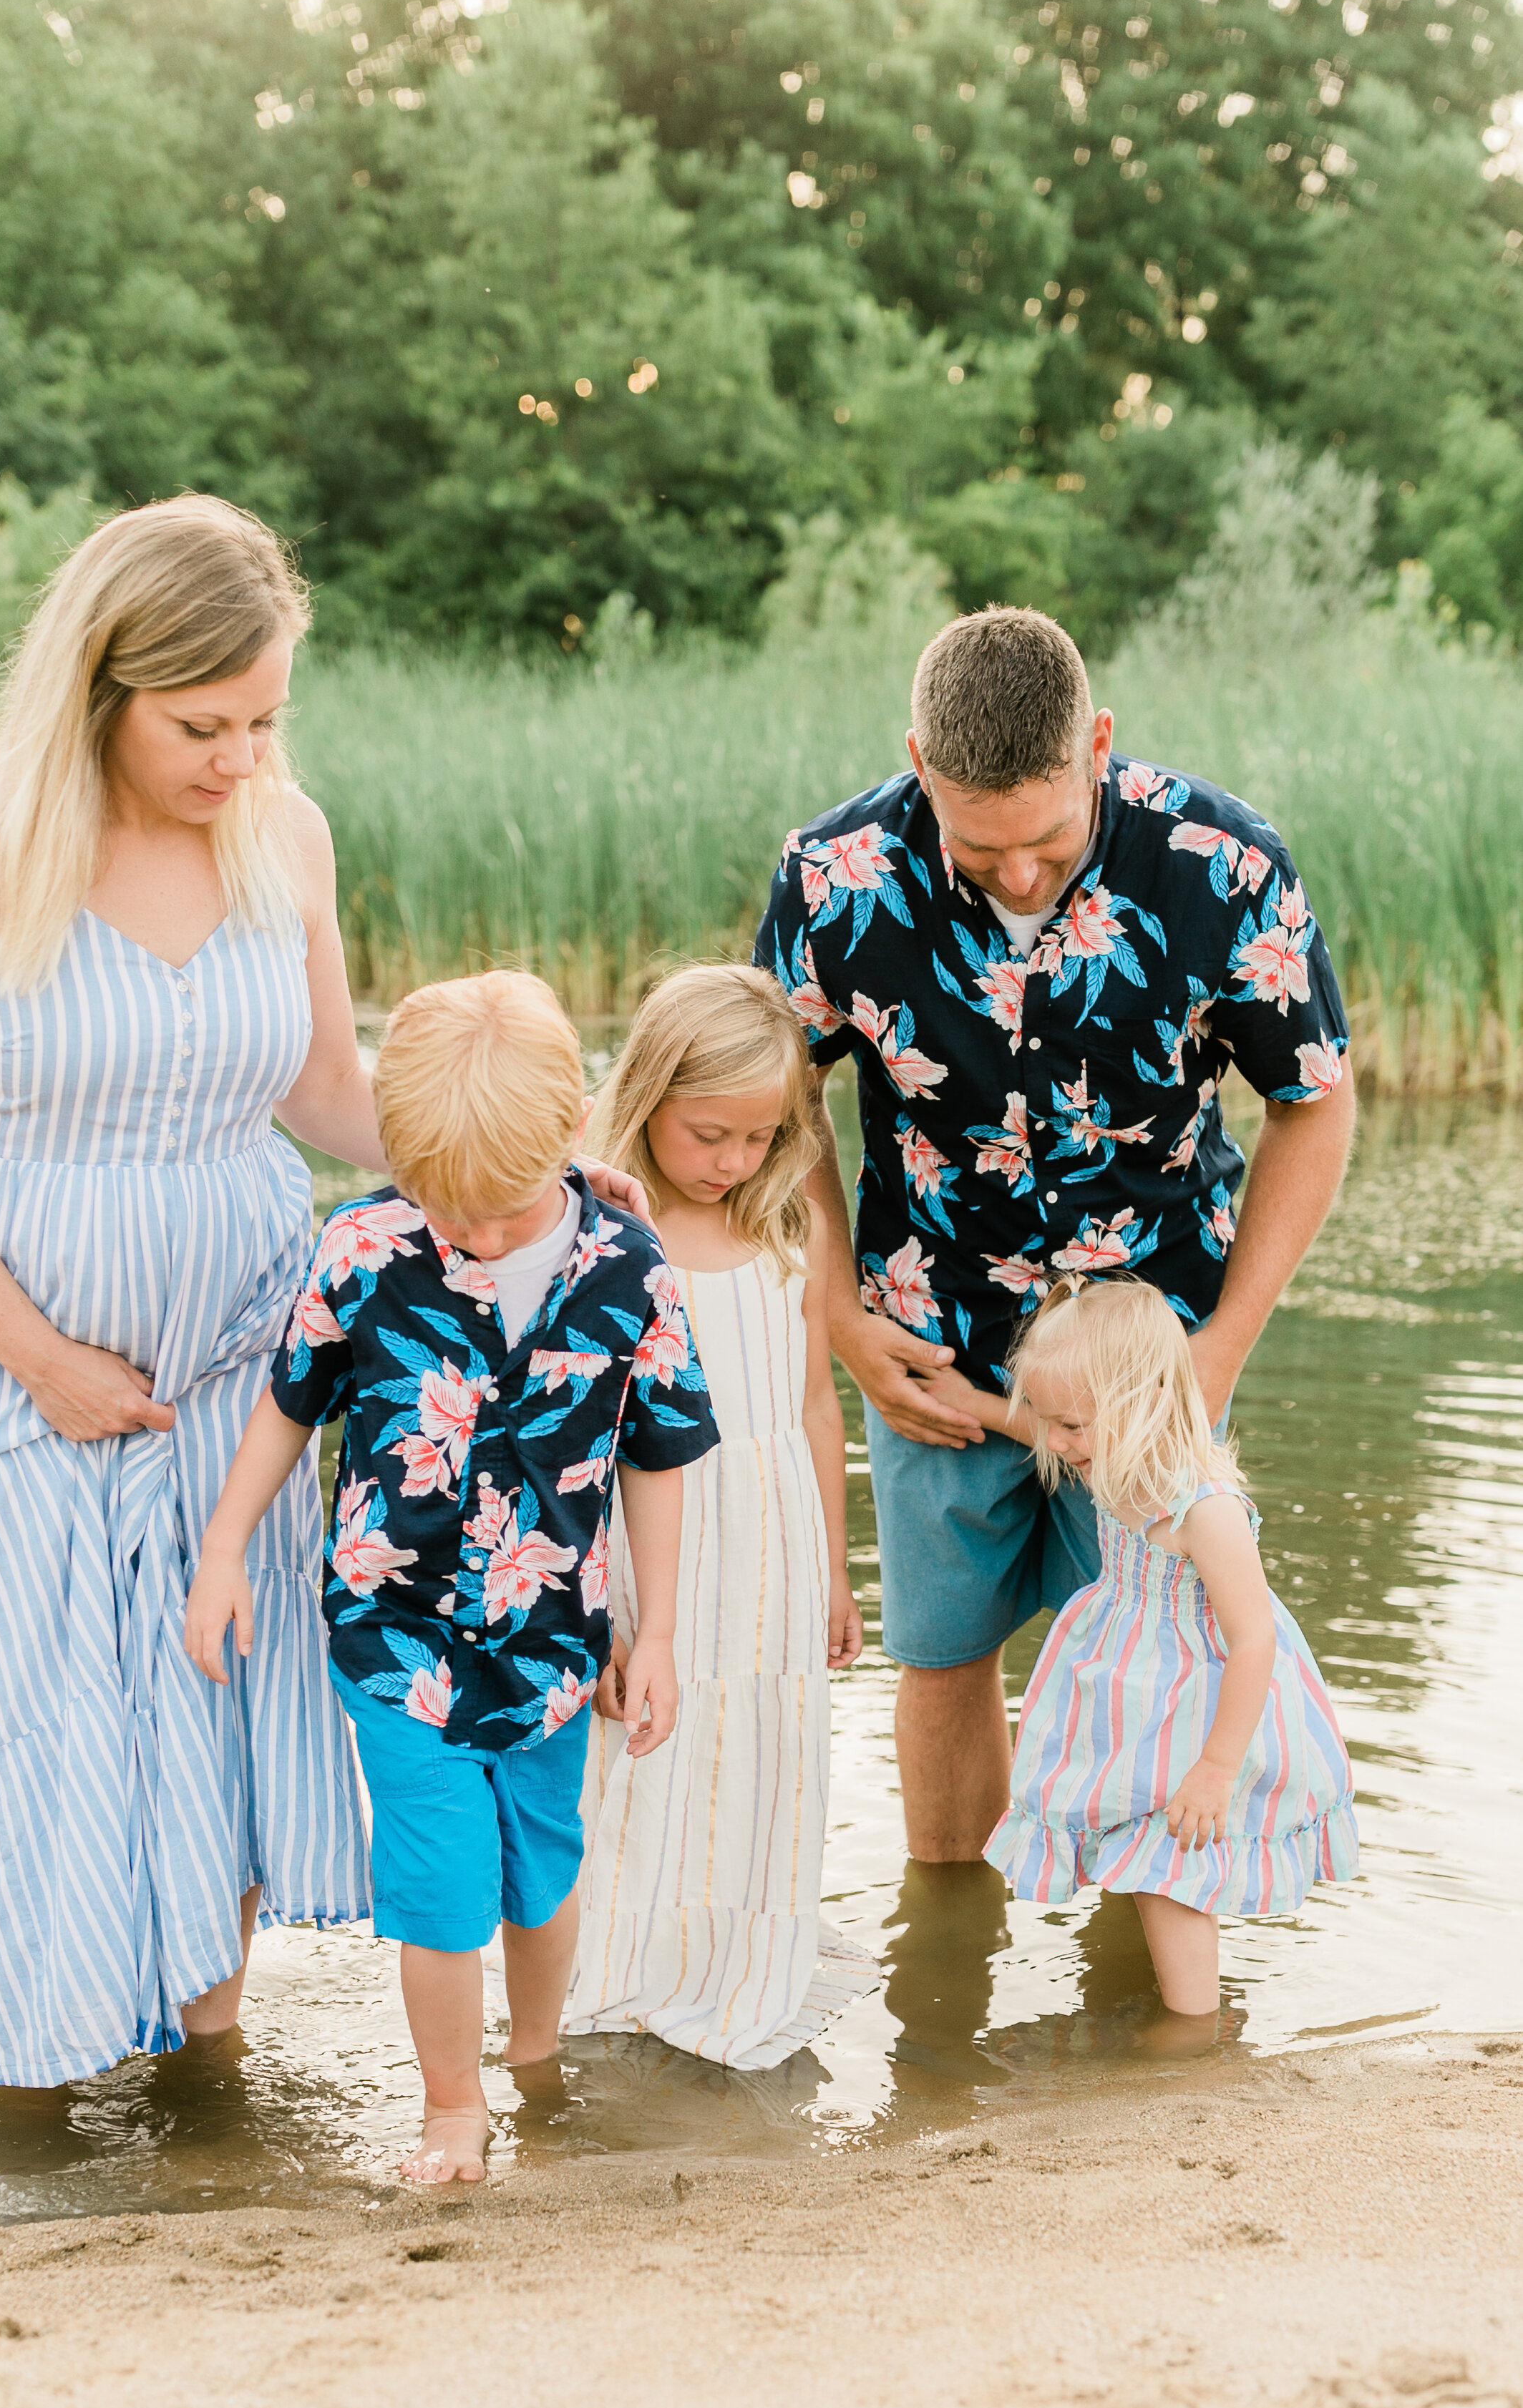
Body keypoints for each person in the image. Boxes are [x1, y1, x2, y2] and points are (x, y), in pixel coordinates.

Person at [0, 494, 381, 2086]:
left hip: (241, 1373)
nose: (240, 760)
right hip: (16, 1384)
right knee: (25, 1736)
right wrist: (44, 1359)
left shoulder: (285, 833)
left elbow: (332, 1092)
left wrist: (527, 1167)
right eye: (205, 725)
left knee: (225, 1708)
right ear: (103, 690)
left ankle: (211, 2088)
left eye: (266, 720)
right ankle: (25, 2100)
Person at [755, 605, 1356, 1866]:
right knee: (942, 1654)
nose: (1020, 876)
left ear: (1099, 744)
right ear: (919, 762)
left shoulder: (1223, 866)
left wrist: (1226, 1347)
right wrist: (841, 1323)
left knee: (1166, 1658)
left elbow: (1314, 1101)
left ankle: (1140, 2027)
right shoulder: (832, 877)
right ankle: (952, 1994)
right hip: (930, 1333)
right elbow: (782, 1104)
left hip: (1156, 1353)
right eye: (982, 849)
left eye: (1047, 839)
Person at [184, 971, 719, 2184]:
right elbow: (286, 1409)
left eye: (497, 1209)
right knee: (438, 1884)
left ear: (569, 1137)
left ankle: (536, 2054)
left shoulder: (631, 1269)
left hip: (555, 1635)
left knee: (543, 1869)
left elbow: (661, 1457)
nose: (468, 1234)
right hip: (395, 1632)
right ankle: (453, 2106)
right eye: (445, 1206)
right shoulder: (365, 1247)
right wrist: (224, 1550)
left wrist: (661, 1630)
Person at [565, 965, 875, 2070]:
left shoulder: (785, 1217)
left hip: (773, 1535)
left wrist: (837, 1568)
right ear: (648, 1099)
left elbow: (811, 1401)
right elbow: (578, 1431)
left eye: (761, 1133)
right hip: (655, 1533)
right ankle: (610, 1968)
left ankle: (734, 1956)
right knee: (640, 1752)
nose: (736, 1159)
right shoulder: (598, 1229)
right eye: (710, 1134)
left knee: (761, 1746)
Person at [985, 1276, 1358, 2015]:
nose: (1054, 1442)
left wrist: (1216, 1770)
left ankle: (1192, 2031)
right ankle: (1150, 2006)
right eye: (1047, 1420)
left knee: (1174, 1863)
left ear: (1144, 1402)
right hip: (1129, 1688)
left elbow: (1252, 1640)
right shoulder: (1112, 1466)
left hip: (1202, 1702)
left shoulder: (1205, 1510)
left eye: (1071, 1425)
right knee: (1136, 1841)